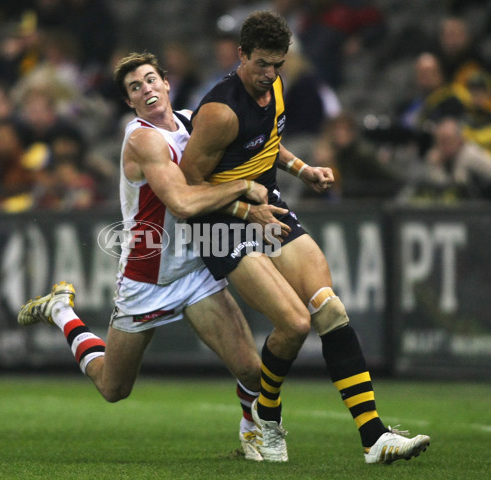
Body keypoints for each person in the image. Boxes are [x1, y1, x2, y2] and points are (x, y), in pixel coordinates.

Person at [179, 10, 430, 464]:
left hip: (266, 205)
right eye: (261, 64)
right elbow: (188, 186)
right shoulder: (218, 111)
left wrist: (303, 170)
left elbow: (268, 143)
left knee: (328, 309)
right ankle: (268, 420)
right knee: (294, 324)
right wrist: (244, 210)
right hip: (219, 221)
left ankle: (374, 438)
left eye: (277, 64)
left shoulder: (274, 85)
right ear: (241, 55)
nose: (269, 74)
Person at [17, 51, 287, 461]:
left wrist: (301, 168)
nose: (145, 90)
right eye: (134, 87)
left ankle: (251, 435)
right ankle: (61, 312)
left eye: (149, 80)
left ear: (165, 82)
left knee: (251, 369)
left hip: (196, 269)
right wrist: (241, 189)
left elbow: (259, 144)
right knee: (113, 388)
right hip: (149, 277)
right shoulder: (142, 138)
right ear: (129, 101)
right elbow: (180, 203)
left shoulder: (189, 120)